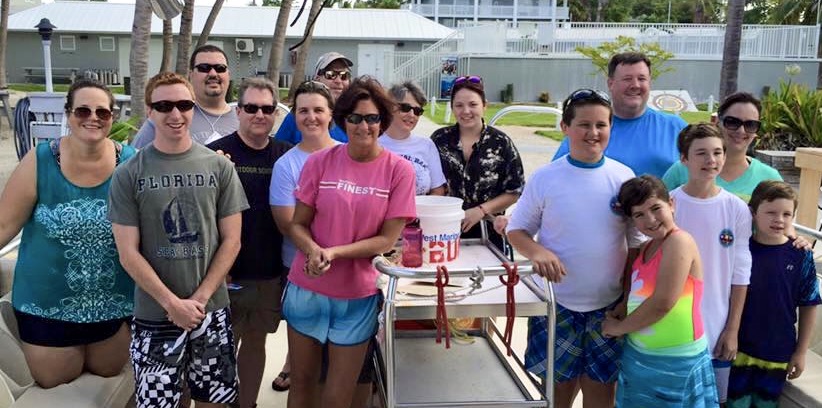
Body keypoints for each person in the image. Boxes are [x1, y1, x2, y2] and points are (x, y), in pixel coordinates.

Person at [108, 72, 249, 408]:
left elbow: (232, 241)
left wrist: (198, 300)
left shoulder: (220, 167)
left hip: (210, 311)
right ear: (150, 111)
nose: (175, 114)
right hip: (155, 316)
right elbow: (128, 252)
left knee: (215, 401)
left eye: (184, 105)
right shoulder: (128, 173)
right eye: (164, 106)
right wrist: (172, 304)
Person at [283, 76, 415, 408]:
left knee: (337, 397)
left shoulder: (399, 171)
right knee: (301, 385)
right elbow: (298, 225)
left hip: (356, 297)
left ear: (383, 121)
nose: (363, 126)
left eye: (372, 118)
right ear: (343, 120)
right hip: (306, 290)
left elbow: (387, 239)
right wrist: (313, 250)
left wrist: (334, 252)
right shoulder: (319, 162)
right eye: (355, 117)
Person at [507, 89, 644, 408]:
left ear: (610, 128)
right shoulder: (546, 178)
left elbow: (636, 245)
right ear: (565, 128)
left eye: (601, 125)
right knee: (557, 393)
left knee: (602, 394)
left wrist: (627, 297)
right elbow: (517, 231)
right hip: (557, 305)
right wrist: (538, 252)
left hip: (608, 308)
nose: (593, 133)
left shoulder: (623, 178)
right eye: (584, 124)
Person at [0, 79, 135, 388]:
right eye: (83, 110)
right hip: (46, 306)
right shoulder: (39, 161)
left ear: (112, 116)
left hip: (115, 305)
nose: (93, 118)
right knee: (57, 383)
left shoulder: (131, 163)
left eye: (102, 112)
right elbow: (4, 225)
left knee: (108, 381)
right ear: (68, 114)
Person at [206, 77, 292, 408]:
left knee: (257, 344)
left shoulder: (285, 155)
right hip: (225, 274)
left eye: (267, 109)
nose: (260, 114)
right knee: (220, 349)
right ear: (238, 111)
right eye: (252, 107)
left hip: (268, 272)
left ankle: (248, 403)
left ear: (275, 114)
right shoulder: (215, 154)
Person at [602, 175, 718, 407]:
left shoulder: (679, 241)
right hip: (639, 358)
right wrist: (624, 307)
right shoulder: (646, 247)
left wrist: (617, 328)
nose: (651, 219)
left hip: (677, 363)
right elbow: (640, 293)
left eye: (656, 208)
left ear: (671, 204)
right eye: (639, 215)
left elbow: (663, 302)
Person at [669, 123, 752, 405]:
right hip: (675, 332)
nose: (711, 160)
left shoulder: (736, 208)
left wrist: (732, 330)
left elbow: (741, 273)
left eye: (717, 152)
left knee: (714, 402)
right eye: (701, 153)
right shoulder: (670, 205)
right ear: (684, 158)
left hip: (717, 331)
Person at [268, 80, 338, 393]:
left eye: (318, 110)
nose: (311, 117)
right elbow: (286, 222)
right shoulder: (286, 164)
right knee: (305, 356)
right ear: (294, 116)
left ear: (331, 114)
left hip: (346, 266)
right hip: (300, 267)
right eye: (303, 110)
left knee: (337, 354)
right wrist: (316, 253)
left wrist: (340, 252)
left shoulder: (349, 156)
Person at [727, 181, 820, 407]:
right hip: (738, 349)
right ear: (753, 213)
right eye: (771, 212)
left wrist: (801, 352)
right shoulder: (739, 251)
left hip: (778, 352)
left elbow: (809, 304)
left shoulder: (802, 256)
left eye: (787, 214)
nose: (779, 219)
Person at [552, 52, 687, 178]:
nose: (635, 85)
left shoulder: (676, 127)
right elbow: (557, 175)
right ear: (611, 84)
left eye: (642, 79)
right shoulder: (588, 132)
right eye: (627, 79)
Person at [431, 75, 524, 251]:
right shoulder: (439, 140)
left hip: (488, 235)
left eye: (473, 104)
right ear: (452, 108)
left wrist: (481, 210)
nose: (466, 111)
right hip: (442, 234)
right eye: (459, 105)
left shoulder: (501, 142)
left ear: (484, 106)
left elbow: (515, 191)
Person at [662, 92, 781, 201]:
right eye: (732, 122)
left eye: (750, 125)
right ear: (717, 122)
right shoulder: (682, 169)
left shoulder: (769, 177)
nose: (741, 130)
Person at [131, 44, 239, 148]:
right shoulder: (166, 116)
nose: (213, 74)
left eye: (220, 68)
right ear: (191, 75)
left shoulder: (245, 117)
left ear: (228, 75)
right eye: (204, 68)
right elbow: (136, 157)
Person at [380, 80, 446, 195]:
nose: (411, 115)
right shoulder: (374, 143)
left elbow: (438, 189)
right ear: (389, 108)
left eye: (417, 111)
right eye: (405, 108)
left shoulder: (427, 145)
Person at [275, 52, 353, 144]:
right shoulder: (298, 116)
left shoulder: (355, 116)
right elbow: (279, 148)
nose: (338, 81)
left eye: (344, 76)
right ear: (317, 79)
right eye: (331, 74)